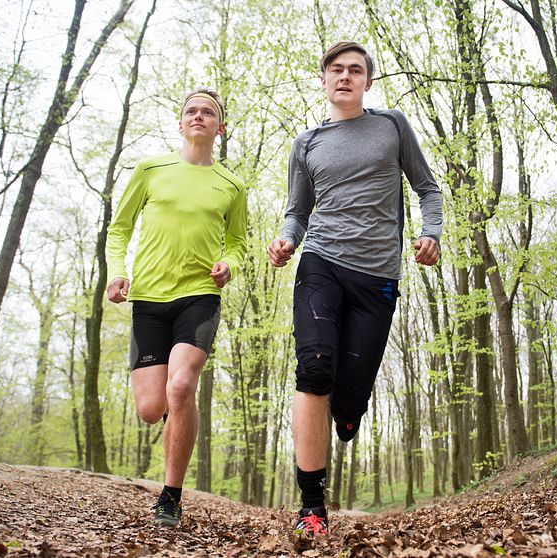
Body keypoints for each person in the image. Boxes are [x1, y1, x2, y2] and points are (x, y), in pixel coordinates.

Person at [267, 41, 442, 537]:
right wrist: (286, 240)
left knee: (348, 400)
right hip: (321, 260)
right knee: (314, 366)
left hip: (377, 275)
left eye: (355, 70)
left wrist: (431, 233)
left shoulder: (392, 126)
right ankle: (312, 505)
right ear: (323, 80)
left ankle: (348, 413)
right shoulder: (306, 143)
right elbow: (297, 211)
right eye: (336, 70)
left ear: (367, 81)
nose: (345, 77)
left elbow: (428, 188)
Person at [106, 87, 247, 528]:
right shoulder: (151, 170)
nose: (199, 117)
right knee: (151, 409)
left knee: (182, 386)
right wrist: (116, 272)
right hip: (148, 297)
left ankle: (170, 495)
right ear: (180, 122)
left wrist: (232, 265)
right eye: (192, 111)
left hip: (199, 297)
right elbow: (119, 228)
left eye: (208, 113)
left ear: (220, 128)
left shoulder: (231, 185)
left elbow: (239, 243)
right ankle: (171, 410)